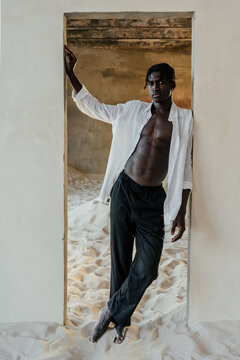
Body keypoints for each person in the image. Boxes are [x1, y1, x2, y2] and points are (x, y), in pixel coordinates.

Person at [64, 45, 193, 344]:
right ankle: (120, 320)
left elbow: (186, 167)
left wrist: (181, 211)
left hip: (153, 200)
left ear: (172, 83)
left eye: (160, 81)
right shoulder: (132, 110)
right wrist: (72, 74)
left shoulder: (185, 120)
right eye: (150, 82)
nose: (155, 86)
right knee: (121, 260)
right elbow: (95, 107)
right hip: (124, 190)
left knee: (147, 267)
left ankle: (110, 310)